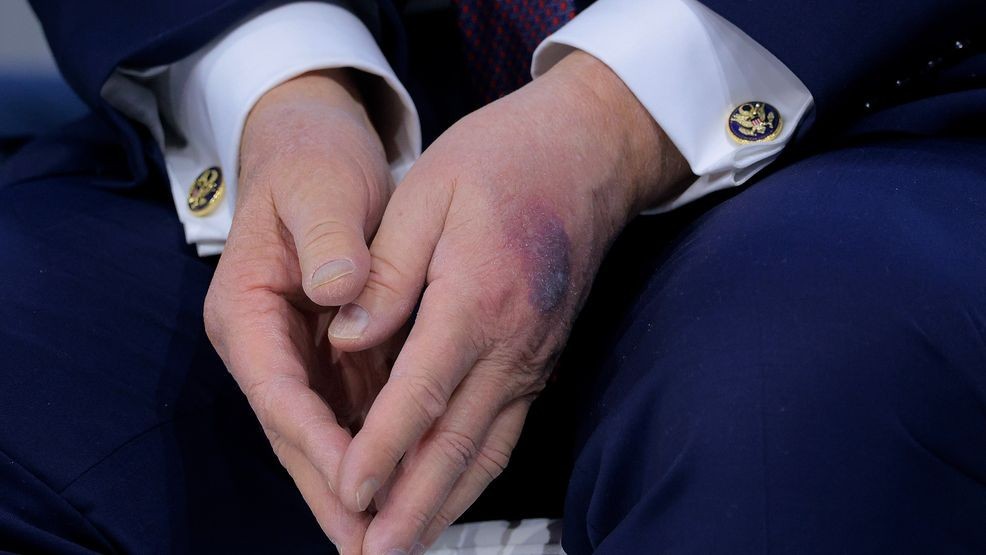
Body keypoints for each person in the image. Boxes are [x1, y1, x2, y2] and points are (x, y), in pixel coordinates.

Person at [1, 0, 984, 553]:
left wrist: (611, 113)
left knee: (798, 408)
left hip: (863, 119)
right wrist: (285, 91)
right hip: (332, 109)